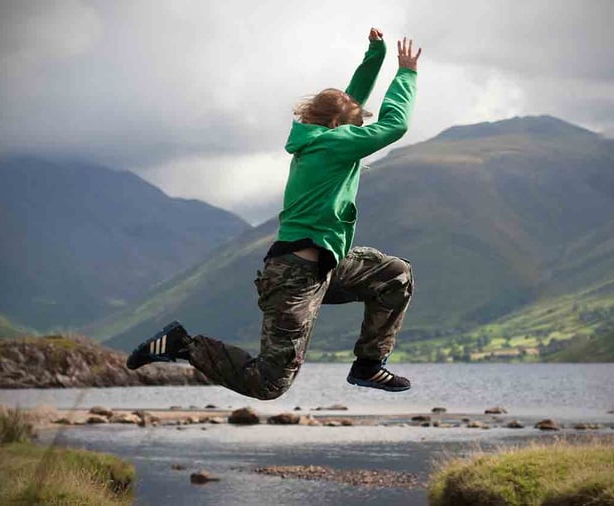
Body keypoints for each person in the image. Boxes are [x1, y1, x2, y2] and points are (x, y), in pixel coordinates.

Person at [126, 27, 421, 400]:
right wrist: (406, 73)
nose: (360, 127)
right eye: (356, 122)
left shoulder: (323, 136)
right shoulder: (333, 144)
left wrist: (375, 55)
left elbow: (351, 101)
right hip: (293, 276)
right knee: (269, 384)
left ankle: (368, 365)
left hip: (328, 266)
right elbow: (395, 125)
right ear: (338, 125)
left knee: (395, 275)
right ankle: (183, 345)